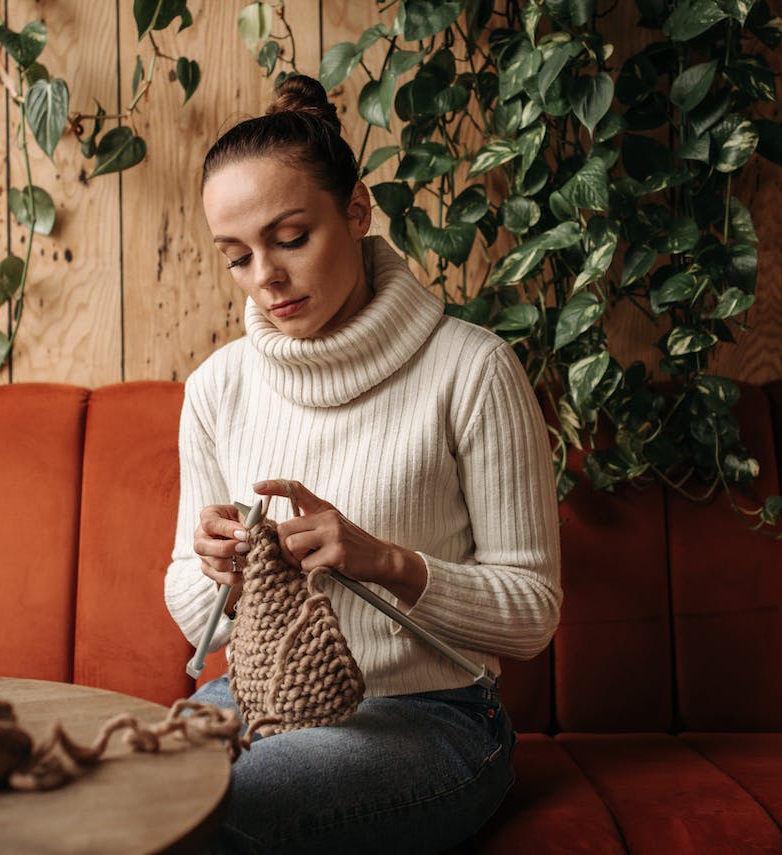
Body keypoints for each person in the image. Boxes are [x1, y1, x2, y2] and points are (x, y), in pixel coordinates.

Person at [164, 74, 562, 854]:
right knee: (119, 796)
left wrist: (385, 560)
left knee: (208, 807)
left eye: (289, 238)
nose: (264, 278)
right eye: (236, 256)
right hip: (255, 699)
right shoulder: (218, 386)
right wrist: (221, 574)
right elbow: (188, 600)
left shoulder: (472, 369)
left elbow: (533, 611)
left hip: (434, 718)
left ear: (356, 211)